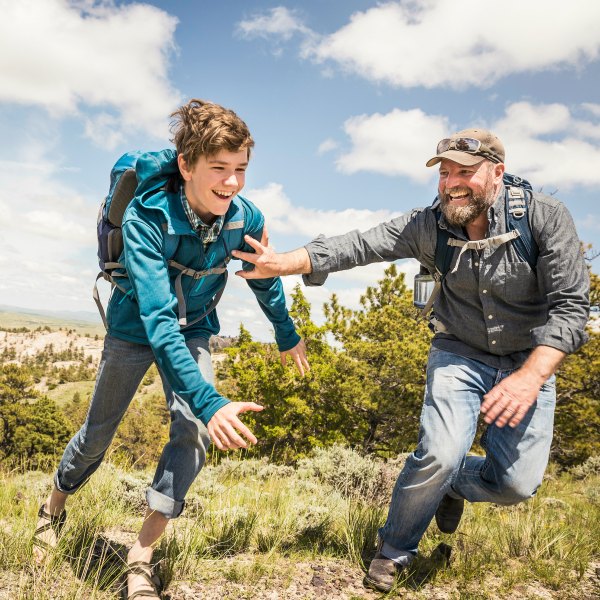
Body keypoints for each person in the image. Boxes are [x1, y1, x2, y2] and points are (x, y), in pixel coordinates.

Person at [231, 128, 590, 592]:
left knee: (516, 486)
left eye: (465, 172)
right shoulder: (429, 225)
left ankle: (451, 484)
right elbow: (360, 243)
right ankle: (395, 549)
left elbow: (571, 306)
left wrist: (531, 376)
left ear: (497, 172)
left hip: (529, 360)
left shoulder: (543, 217)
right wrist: (284, 263)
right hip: (458, 353)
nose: (451, 183)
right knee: (439, 453)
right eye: (444, 173)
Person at [33, 99, 309, 599]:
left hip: (197, 327)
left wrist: (286, 332)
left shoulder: (244, 215)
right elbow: (159, 322)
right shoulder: (146, 216)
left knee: (192, 430)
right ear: (186, 165)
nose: (232, 183)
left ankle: (140, 559)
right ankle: (52, 507)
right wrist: (210, 398)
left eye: (241, 169)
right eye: (219, 169)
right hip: (135, 327)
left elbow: (262, 275)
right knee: (99, 433)